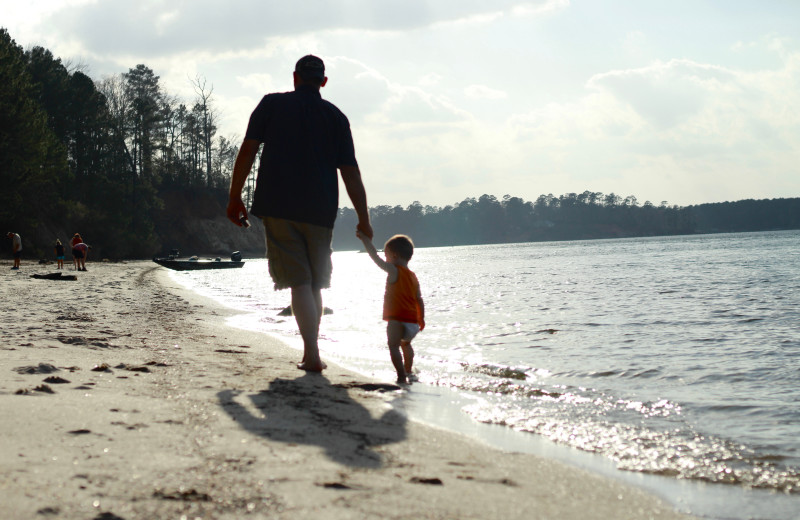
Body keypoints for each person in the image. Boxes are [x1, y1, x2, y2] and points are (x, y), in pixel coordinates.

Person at [226, 54, 373, 373]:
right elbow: (351, 172)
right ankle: (312, 352)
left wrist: (235, 195)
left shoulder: (271, 105)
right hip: (320, 210)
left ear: (295, 77)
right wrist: (364, 218)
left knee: (300, 282)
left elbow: (248, 149)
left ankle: (313, 355)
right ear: (323, 81)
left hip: (279, 205)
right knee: (314, 284)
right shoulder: (336, 117)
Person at [356, 231, 425, 384]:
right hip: (412, 321)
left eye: (386, 255)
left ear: (393, 255)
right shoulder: (413, 276)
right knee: (406, 344)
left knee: (393, 346)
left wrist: (366, 240)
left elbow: (374, 257)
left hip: (396, 318)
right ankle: (408, 371)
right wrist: (421, 318)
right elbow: (419, 299)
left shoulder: (393, 270)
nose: (385, 258)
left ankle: (401, 376)